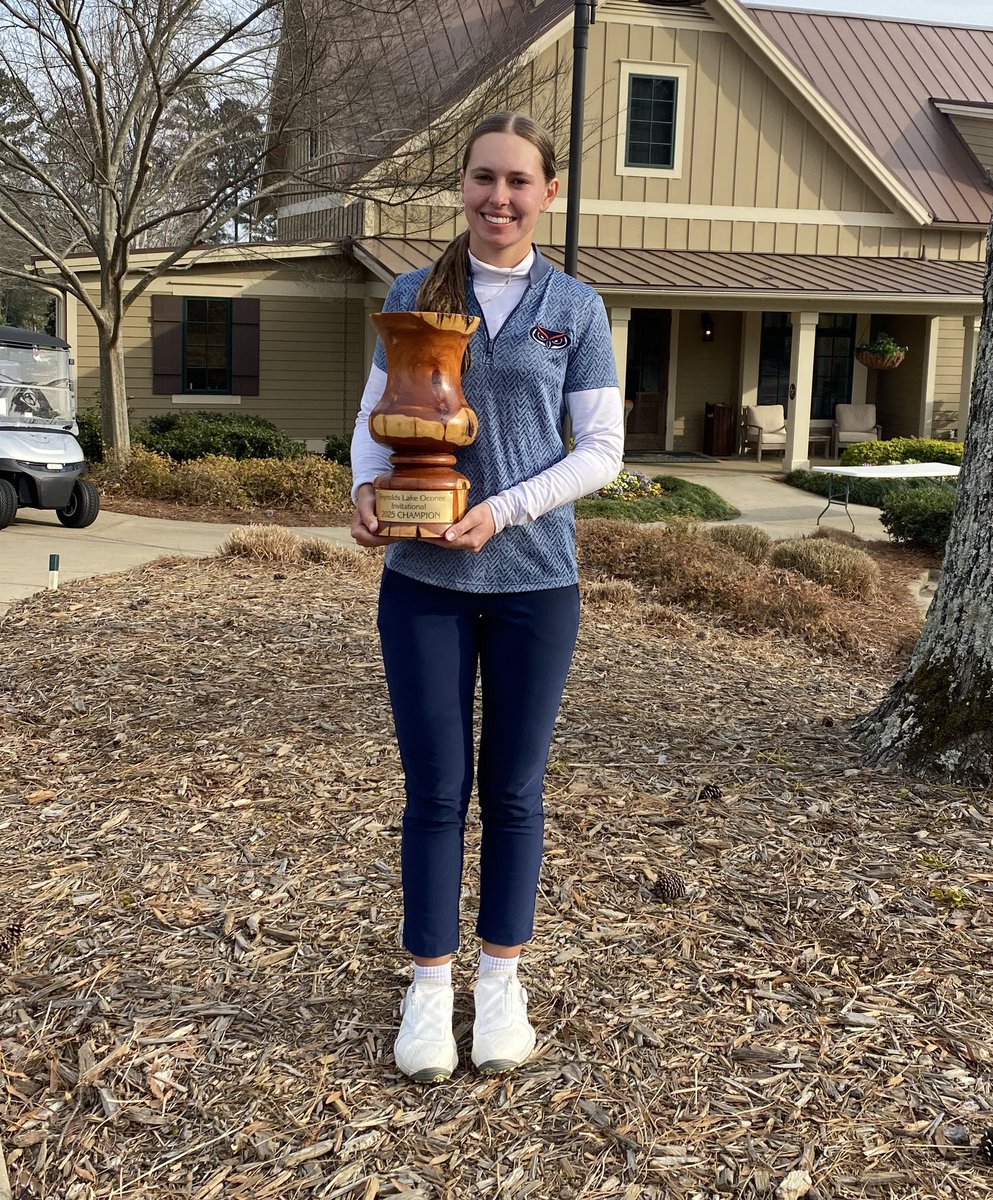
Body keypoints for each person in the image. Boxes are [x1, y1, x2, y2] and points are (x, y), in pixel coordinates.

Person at [350, 111, 624, 1082]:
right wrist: (362, 492)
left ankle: (499, 981)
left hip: (535, 583)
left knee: (511, 793)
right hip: (422, 582)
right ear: (461, 186)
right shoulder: (414, 292)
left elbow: (602, 454)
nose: (498, 197)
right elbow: (373, 424)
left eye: (518, 181)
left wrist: (502, 512)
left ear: (549, 192)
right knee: (434, 792)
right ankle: (429, 991)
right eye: (482, 179)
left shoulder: (575, 309)